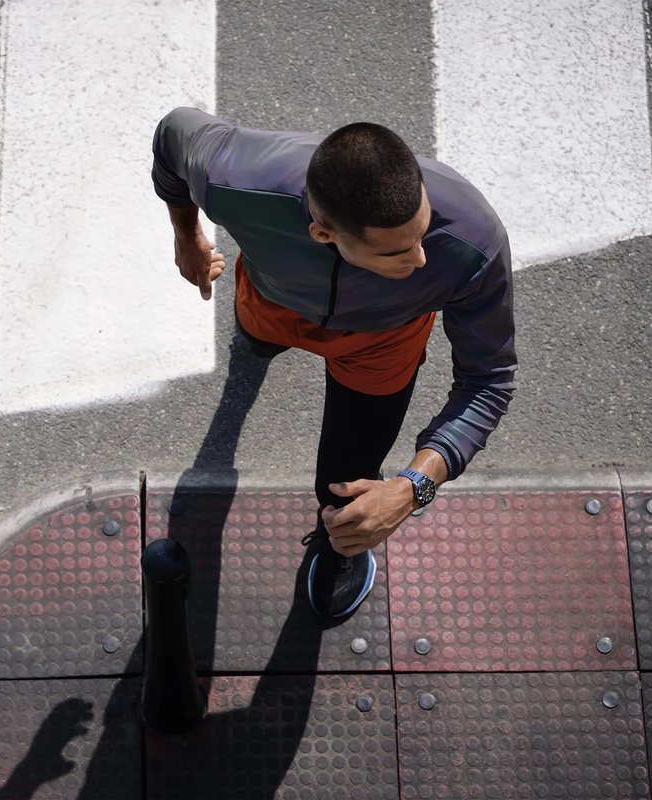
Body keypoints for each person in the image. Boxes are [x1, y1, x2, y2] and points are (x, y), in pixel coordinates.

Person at [151, 108, 516, 619]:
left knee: (345, 481)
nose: (421, 261)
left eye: (423, 231)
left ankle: (341, 541)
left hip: (382, 344)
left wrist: (413, 487)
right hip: (271, 306)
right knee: (254, 345)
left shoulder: (474, 241)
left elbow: (489, 380)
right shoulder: (235, 177)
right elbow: (172, 136)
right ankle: (257, 347)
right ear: (324, 234)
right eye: (396, 253)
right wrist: (186, 232)